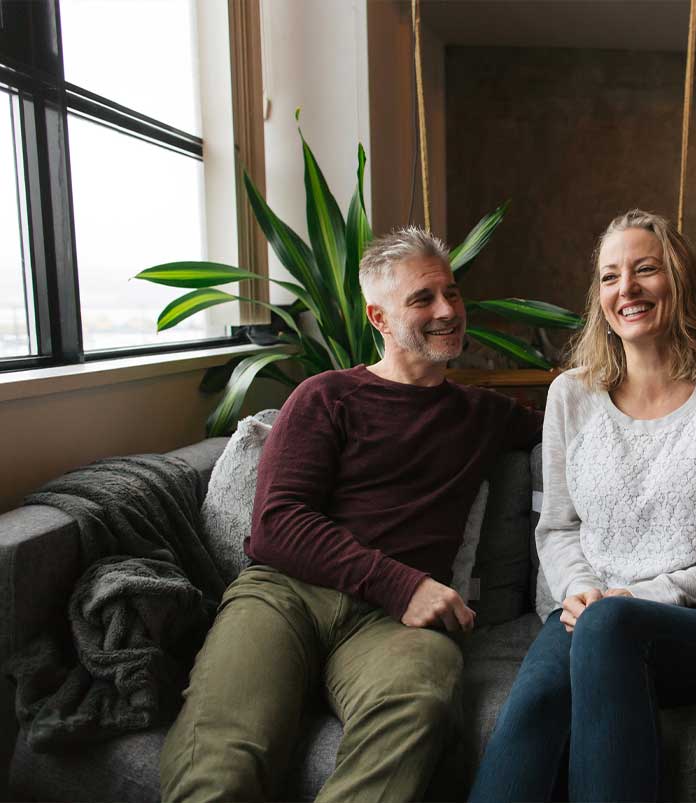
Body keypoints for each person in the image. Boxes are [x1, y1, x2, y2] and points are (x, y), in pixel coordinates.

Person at [160, 227, 543, 803]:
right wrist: (404, 582)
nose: (448, 311)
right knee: (222, 757)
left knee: (420, 707)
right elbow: (278, 525)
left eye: (453, 293)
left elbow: (583, 422)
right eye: (422, 299)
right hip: (287, 595)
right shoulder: (326, 395)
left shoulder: (484, 414)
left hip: (393, 630)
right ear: (379, 318)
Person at [469, 209, 696, 802]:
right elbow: (559, 527)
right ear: (598, 297)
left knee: (610, 625)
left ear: (680, 282)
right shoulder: (571, 394)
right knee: (537, 702)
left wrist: (641, 596)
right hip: (591, 613)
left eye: (646, 270)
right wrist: (581, 592)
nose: (628, 289)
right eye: (611, 277)